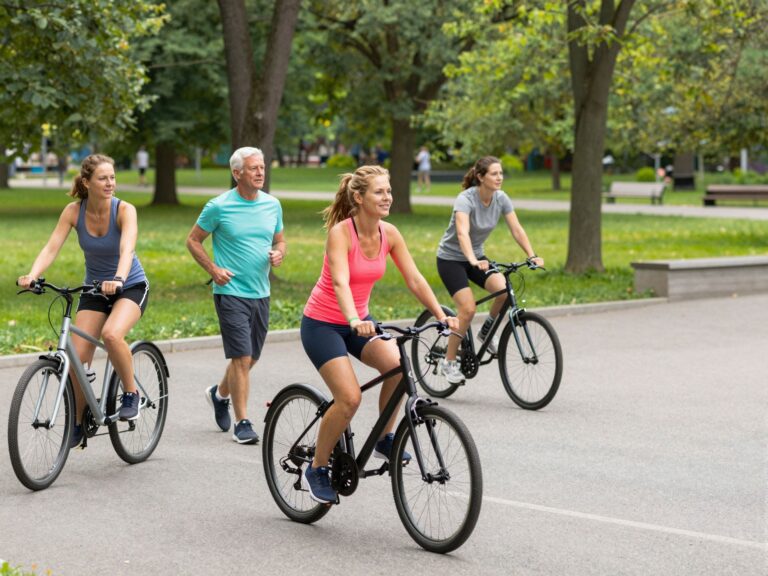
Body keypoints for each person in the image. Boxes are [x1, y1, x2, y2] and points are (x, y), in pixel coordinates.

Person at [299, 165, 460, 503]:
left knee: (398, 366)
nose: (387, 197)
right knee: (349, 398)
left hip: (360, 320)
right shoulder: (341, 234)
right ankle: (316, 466)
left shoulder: (390, 233)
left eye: (388, 191)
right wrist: (354, 318)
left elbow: (414, 279)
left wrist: (439, 313)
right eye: (379, 192)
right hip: (323, 323)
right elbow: (340, 282)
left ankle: (385, 438)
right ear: (359, 197)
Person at [17, 154, 150, 448]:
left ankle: (131, 393)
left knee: (112, 335)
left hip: (129, 285)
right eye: (103, 178)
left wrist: (117, 278)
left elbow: (127, 249)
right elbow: (52, 247)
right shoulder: (73, 211)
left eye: (113, 177)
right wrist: (32, 274)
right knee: (76, 359)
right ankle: (78, 422)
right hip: (94, 289)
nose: (110, 183)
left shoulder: (124, 210)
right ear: (87, 182)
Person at [186, 147, 286, 445]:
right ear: (236, 173)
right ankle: (243, 422)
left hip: (261, 292)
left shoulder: (272, 205)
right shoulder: (218, 206)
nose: (260, 173)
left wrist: (279, 253)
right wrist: (214, 269)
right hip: (230, 291)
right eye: (254, 168)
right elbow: (193, 241)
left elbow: (280, 240)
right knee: (241, 358)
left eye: (262, 167)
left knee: (251, 357)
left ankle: (219, 395)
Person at [435, 155, 544, 385]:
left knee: (504, 291)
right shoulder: (465, 199)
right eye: (494, 174)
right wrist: (473, 259)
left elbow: (517, 229)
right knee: (467, 309)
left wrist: (531, 254)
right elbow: (462, 233)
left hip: (477, 257)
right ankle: (448, 361)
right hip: (451, 259)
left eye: (501, 173)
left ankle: (486, 331)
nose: (499, 177)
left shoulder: (501, 199)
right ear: (480, 177)